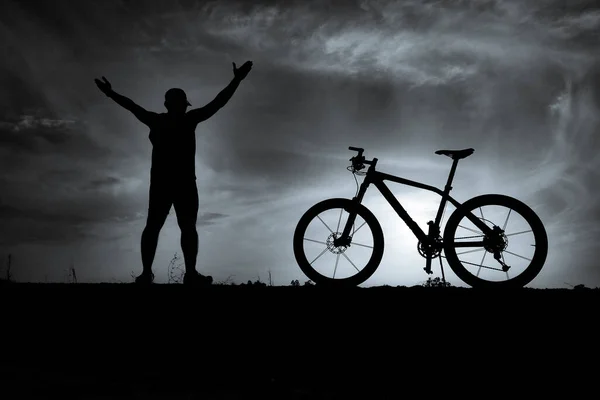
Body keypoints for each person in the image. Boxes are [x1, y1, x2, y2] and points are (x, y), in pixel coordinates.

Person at [94, 61, 253, 285]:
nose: (184, 108)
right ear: (181, 105)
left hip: (167, 183)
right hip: (180, 183)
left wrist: (111, 94)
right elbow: (218, 103)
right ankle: (178, 274)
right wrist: (237, 80)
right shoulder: (185, 120)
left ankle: (155, 274)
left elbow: (131, 106)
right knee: (178, 227)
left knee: (161, 227)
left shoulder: (160, 121)